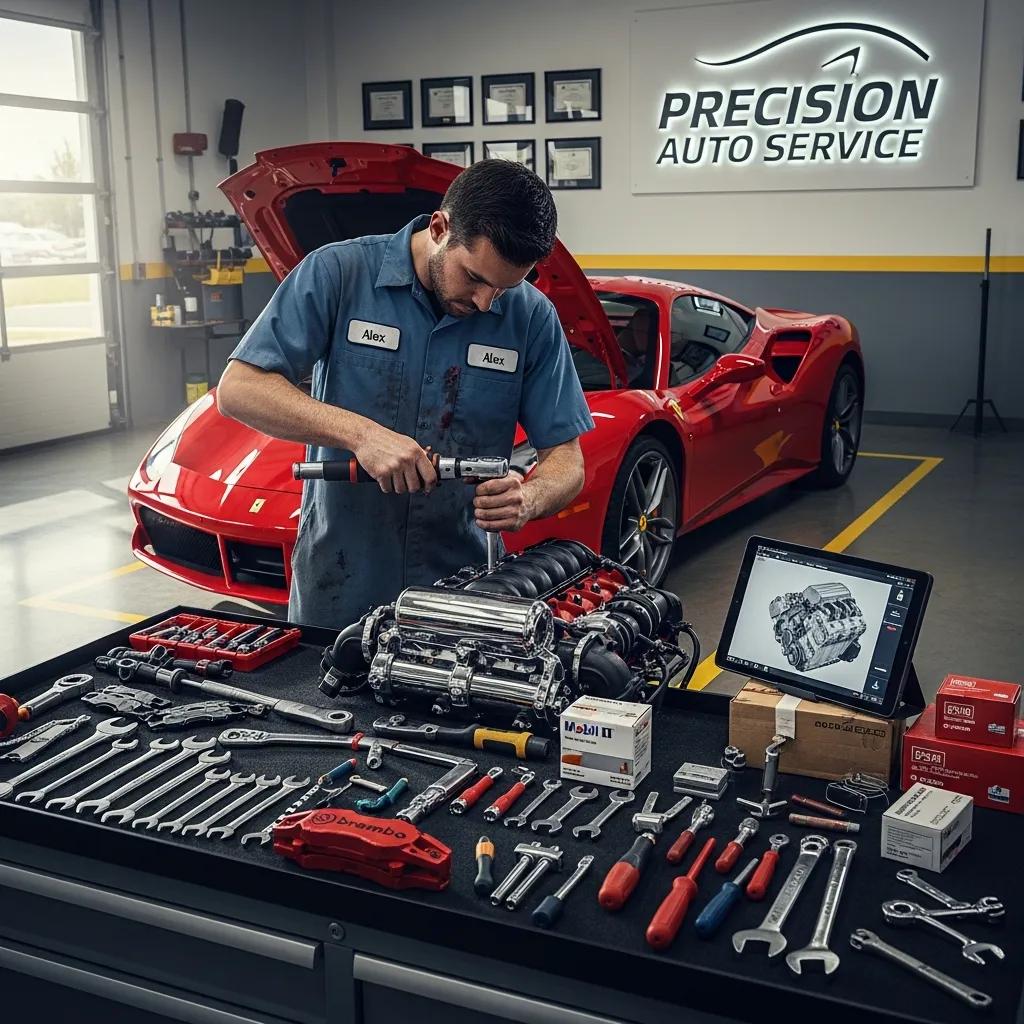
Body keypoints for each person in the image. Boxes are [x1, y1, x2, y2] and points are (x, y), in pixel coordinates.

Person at [216, 159, 594, 628]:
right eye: (474, 278)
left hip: (465, 589)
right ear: (440, 227)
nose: (484, 303)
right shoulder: (338, 273)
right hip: (340, 581)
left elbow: (567, 459)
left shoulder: (532, 318)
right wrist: (362, 435)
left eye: (502, 288)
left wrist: (531, 497)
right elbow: (239, 388)